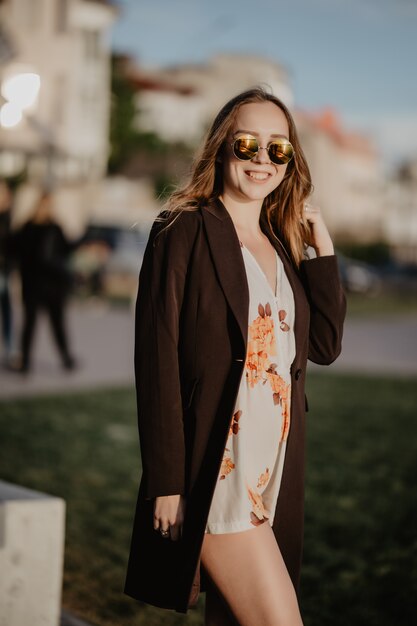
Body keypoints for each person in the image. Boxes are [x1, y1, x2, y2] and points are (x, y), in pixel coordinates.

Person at [124, 87, 346, 625]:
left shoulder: (281, 242)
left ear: (291, 161)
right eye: (247, 143)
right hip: (216, 472)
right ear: (222, 148)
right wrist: (167, 483)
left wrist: (323, 249)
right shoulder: (182, 230)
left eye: (278, 148)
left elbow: (323, 346)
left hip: (274, 473)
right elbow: (157, 363)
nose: (261, 159)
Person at [11, 190, 77, 373]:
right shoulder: (27, 227)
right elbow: (15, 251)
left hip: (53, 286)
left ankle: (66, 359)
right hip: (33, 285)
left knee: (57, 324)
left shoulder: (55, 228)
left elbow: (66, 250)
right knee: (29, 325)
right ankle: (25, 362)